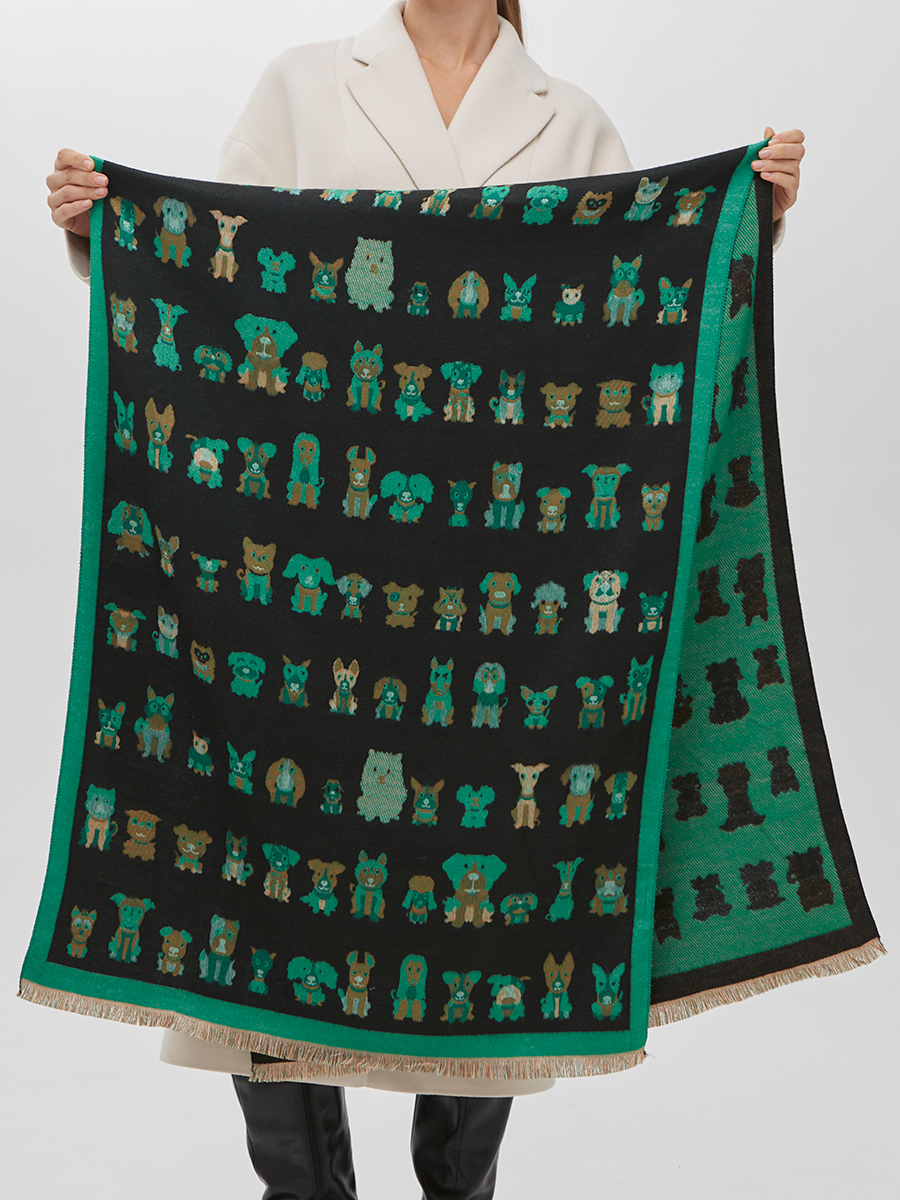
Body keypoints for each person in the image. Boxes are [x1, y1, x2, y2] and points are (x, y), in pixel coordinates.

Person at [44, 3, 805, 1197]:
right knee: (271, 866)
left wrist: (747, 219)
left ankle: (460, 1189)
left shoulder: (573, 120)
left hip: (504, 579)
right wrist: (106, 231)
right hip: (305, 577)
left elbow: (643, 307)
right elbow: (214, 275)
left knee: (493, 887)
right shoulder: (301, 85)